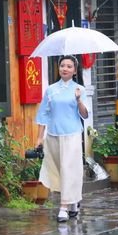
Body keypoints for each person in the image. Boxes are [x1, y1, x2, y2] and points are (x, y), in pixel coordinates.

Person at [35, 55, 89, 222]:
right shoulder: (50, 89)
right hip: (53, 135)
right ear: (58, 68)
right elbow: (43, 114)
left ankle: (64, 207)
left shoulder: (79, 89)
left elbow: (85, 114)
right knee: (58, 170)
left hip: (71, 135)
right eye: (62, 65)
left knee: (69, 169)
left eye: (69, 66)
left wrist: (79, 100)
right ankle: (73, 202)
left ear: (74, 70)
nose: (65, 68)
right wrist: (39, 137)